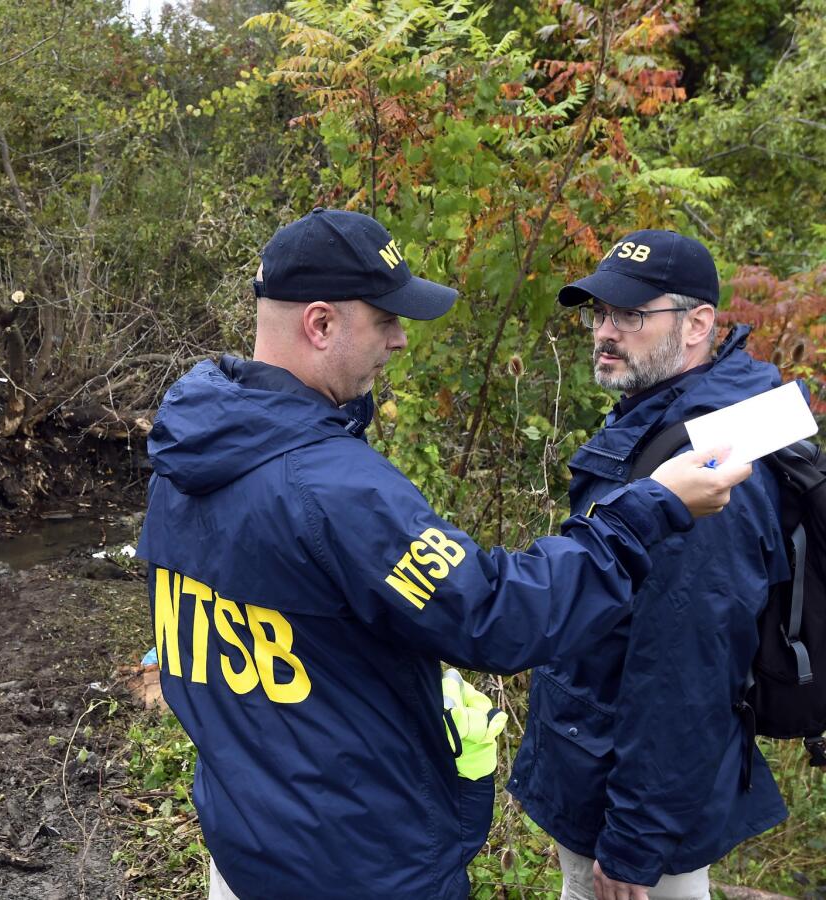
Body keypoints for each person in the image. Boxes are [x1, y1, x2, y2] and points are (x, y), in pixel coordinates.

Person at [135, 209, 751, 900]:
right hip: (356, 864)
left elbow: (267, 628)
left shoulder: (191, 447)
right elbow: (497, 612)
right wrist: (652, 509)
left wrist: (392, 667)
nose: (400, 340)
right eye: (387, 319)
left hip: (247, 841)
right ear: (320, 324)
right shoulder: (333, 488)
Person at [508, 230, 791, 900]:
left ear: (697, 324)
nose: (605, 332)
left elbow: (687, 661)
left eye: (632, 315)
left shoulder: (711, 456)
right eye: (600, 314)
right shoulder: (661, 415)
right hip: (598, 766)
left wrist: (637, 837)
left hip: (629, 806)